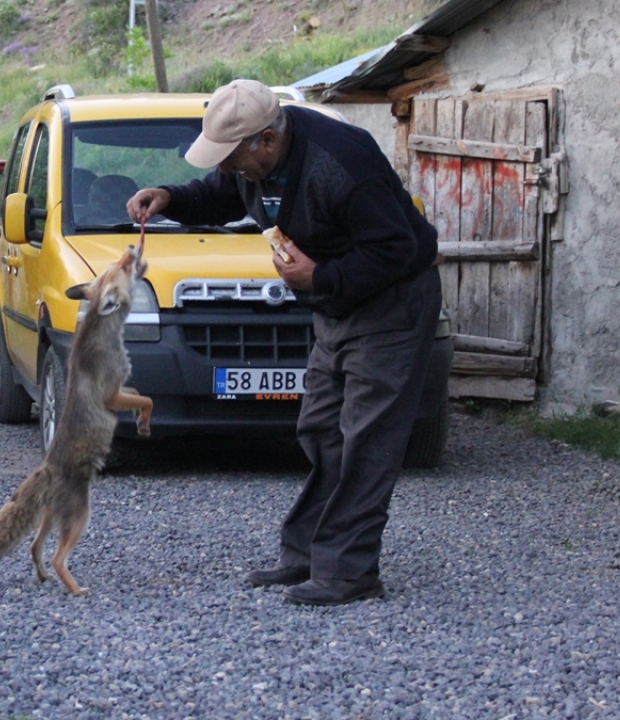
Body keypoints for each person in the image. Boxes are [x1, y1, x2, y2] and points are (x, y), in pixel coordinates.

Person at [126, 79, 441, 606]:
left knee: (367, 437)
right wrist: (170, 197)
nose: (225, 168)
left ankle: (348, 572)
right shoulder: (253, 163)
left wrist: (319, 279)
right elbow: (223, 194)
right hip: (336, 303)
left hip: (393, 303)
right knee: (320, 425)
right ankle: (307, 555)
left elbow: (397, 248)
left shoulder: (341, 164)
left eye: (232, 157)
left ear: (266, 141)